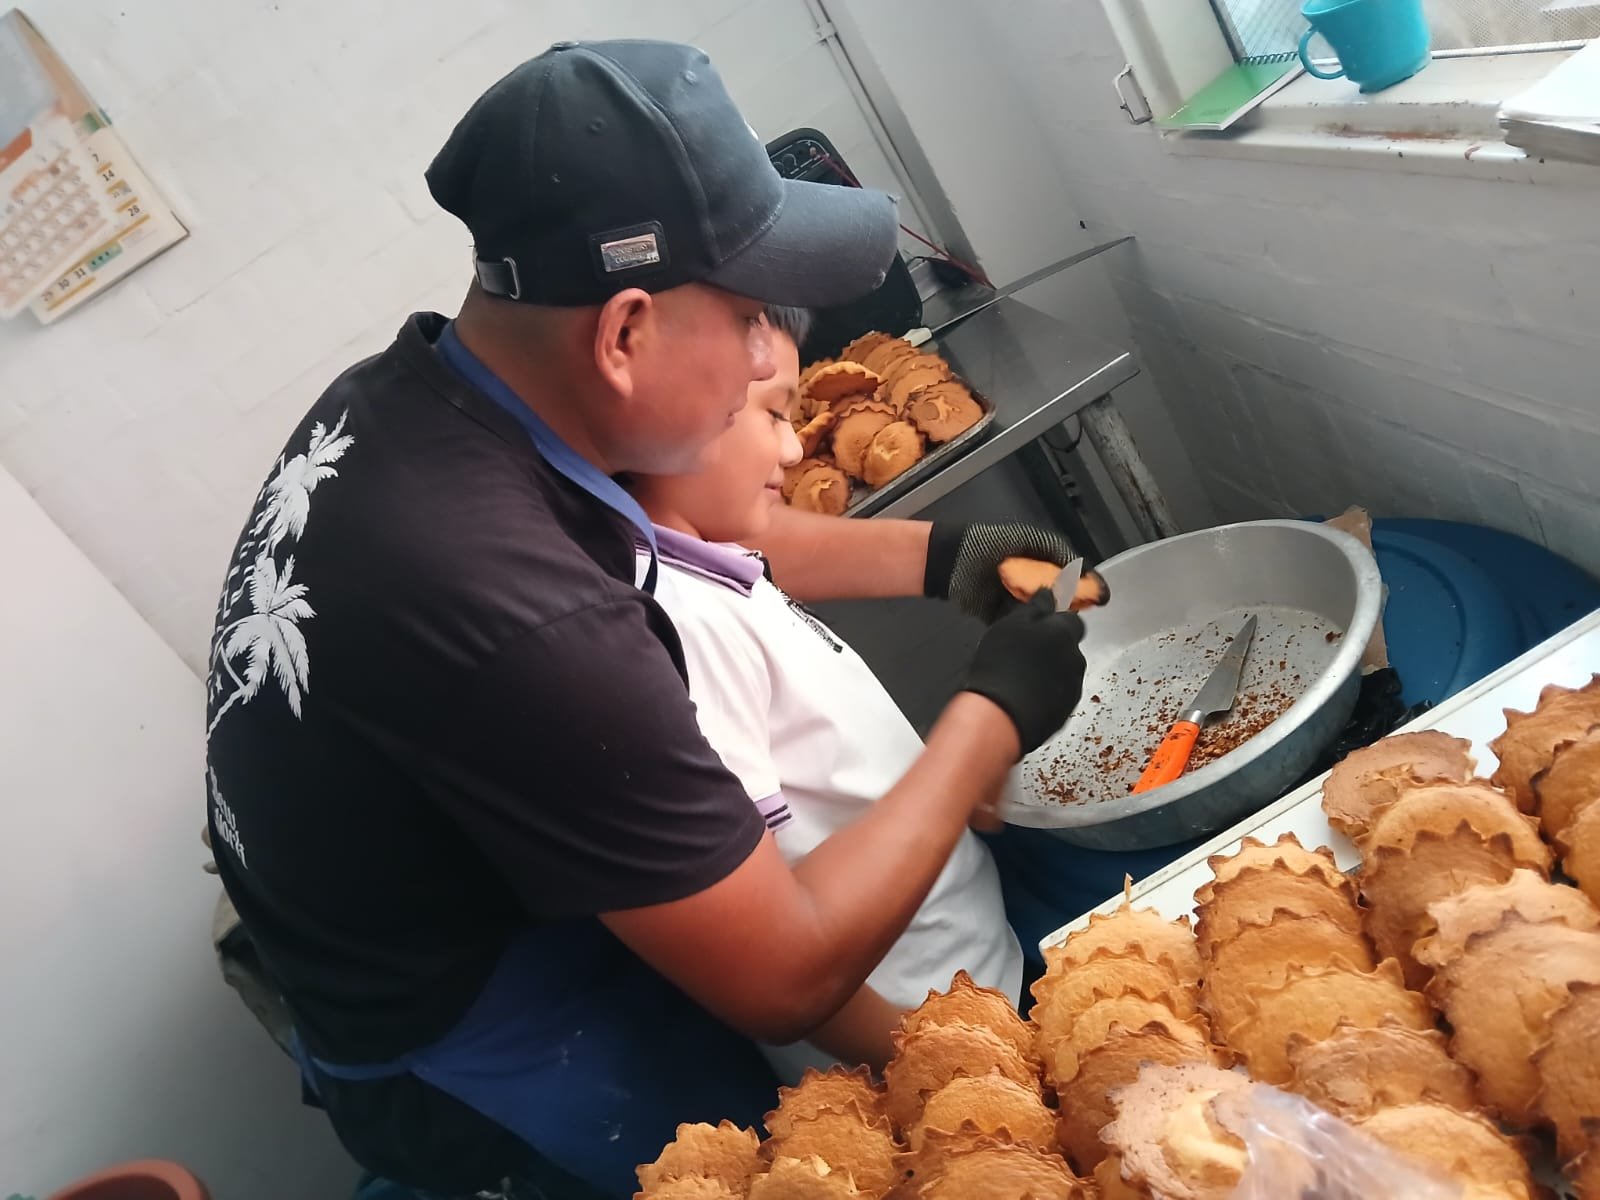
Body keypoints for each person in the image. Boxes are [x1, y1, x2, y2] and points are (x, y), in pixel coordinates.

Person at [204, 39, 1086, 1200]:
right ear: (623, 334)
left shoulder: (441, 394)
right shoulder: (517, 613)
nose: (768, 355)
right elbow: (782, 976)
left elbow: (707, 523)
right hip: (476, 1034)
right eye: (747, 316)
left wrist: (945, 557)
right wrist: (991, 716)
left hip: (471, 873)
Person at [625, 304, 1034, 1082]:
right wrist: (939, 1067)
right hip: (934, 1040)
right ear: (674, 418)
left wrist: (972, 560)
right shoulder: (677, 626)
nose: (792, 448)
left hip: (973, 969)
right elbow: (769, 951)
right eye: (773, 413)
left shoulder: (708, 556)